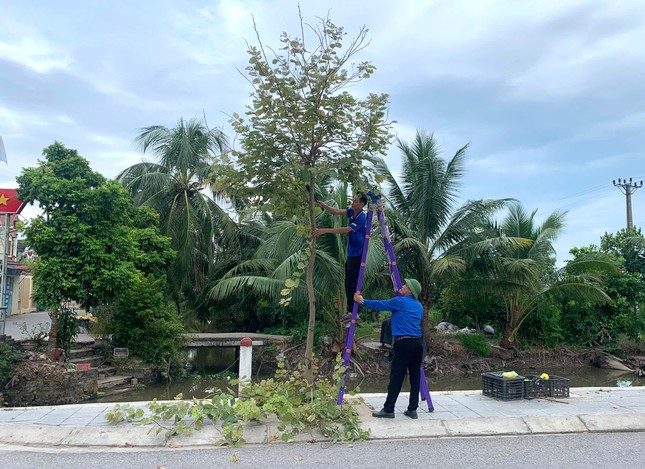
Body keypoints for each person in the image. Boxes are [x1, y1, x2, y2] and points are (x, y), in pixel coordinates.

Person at [354, 278, 424, 419]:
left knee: (396, 377)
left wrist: (362, 301)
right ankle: (412, 409)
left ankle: (389, 409)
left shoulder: (400, 301)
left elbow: (382, 304)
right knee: (415, 377)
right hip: (418, 344)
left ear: (410, 290)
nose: (402, 286)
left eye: (405, 285)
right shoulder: (419, 306)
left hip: (403, 343)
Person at [313, 192, 368, 326]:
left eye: (355, 201)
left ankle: (355, 312)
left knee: (352, 283)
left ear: (361, 204)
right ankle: (350, 311)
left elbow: (346, 230)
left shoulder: (362, 217)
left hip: (359, 253)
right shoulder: (351, 212)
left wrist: (325, 230)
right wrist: (324, 205)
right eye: (353, 200)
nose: (352, 203)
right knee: (347, 283)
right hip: (351, 252)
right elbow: (335, 211)